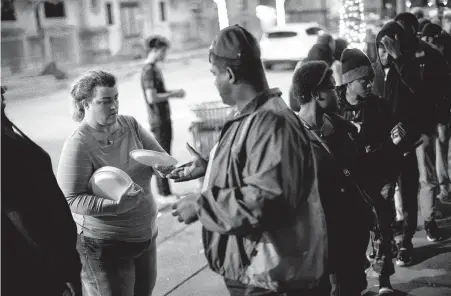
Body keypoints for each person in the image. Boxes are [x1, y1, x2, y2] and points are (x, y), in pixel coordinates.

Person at [169, 25, 330, 296]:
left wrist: (201, 206)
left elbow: (268, 198)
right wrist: (211, 166)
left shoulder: (271, 122)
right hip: (259, 271)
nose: (214, 82)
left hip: (272, 276)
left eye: (214, 75)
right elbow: (256, 166)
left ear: (229, 75)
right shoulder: (255, 116)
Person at [57, 70, 173, 296]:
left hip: (145, 237)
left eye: (116, 98)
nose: (114, 106)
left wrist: (165, 168)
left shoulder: (130, 125)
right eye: (105, 101)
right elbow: (71, 200)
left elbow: (160, 160)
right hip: (104, 247)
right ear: (86, 104)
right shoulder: (79, 143)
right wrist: (117, 206)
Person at [293, 60, 388, 295]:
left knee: (353, 287)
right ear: (316, 94)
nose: (338, 92)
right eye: (331, 86)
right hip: (319, 238)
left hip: (352, 232)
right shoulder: (291, 136)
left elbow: (361, 172)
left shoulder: (344, 129)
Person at [377, 17, 448, 266]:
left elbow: (426, 93)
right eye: (381, 48)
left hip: (415, 134)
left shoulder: (412, 61)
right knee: (390, 192)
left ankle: (418, 229)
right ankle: (389, 241)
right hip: (387, 141)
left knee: (419, 181)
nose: (385, 52)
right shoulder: (379, 70)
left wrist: (438, 121)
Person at [2, 85, 82, 296]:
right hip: (37, 266)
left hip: (58, 253)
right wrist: (56, 273)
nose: (3, 88)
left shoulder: (6, 127)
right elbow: (16, 217)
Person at [337, 48, 402, 295]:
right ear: (349, 82)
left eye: (370, 78)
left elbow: (397, 139)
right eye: (364, 80)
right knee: (352, 235)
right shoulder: (334, 109)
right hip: (349, 185)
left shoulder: (379, 107)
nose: (369, 83)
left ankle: (384, 281)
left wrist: (390, 175)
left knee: (382, 230)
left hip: (379, 179)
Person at [141, 35, 186, 198]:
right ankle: (163, 195)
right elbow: (151, 97)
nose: (164, 55)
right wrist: (174, 94)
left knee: (165, 156)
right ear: (155, 50)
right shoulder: (149, 71)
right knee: (161, 158)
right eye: (163, 51)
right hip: (158, 120)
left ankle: (166, 192)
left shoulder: (154, 69)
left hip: (163, 118)